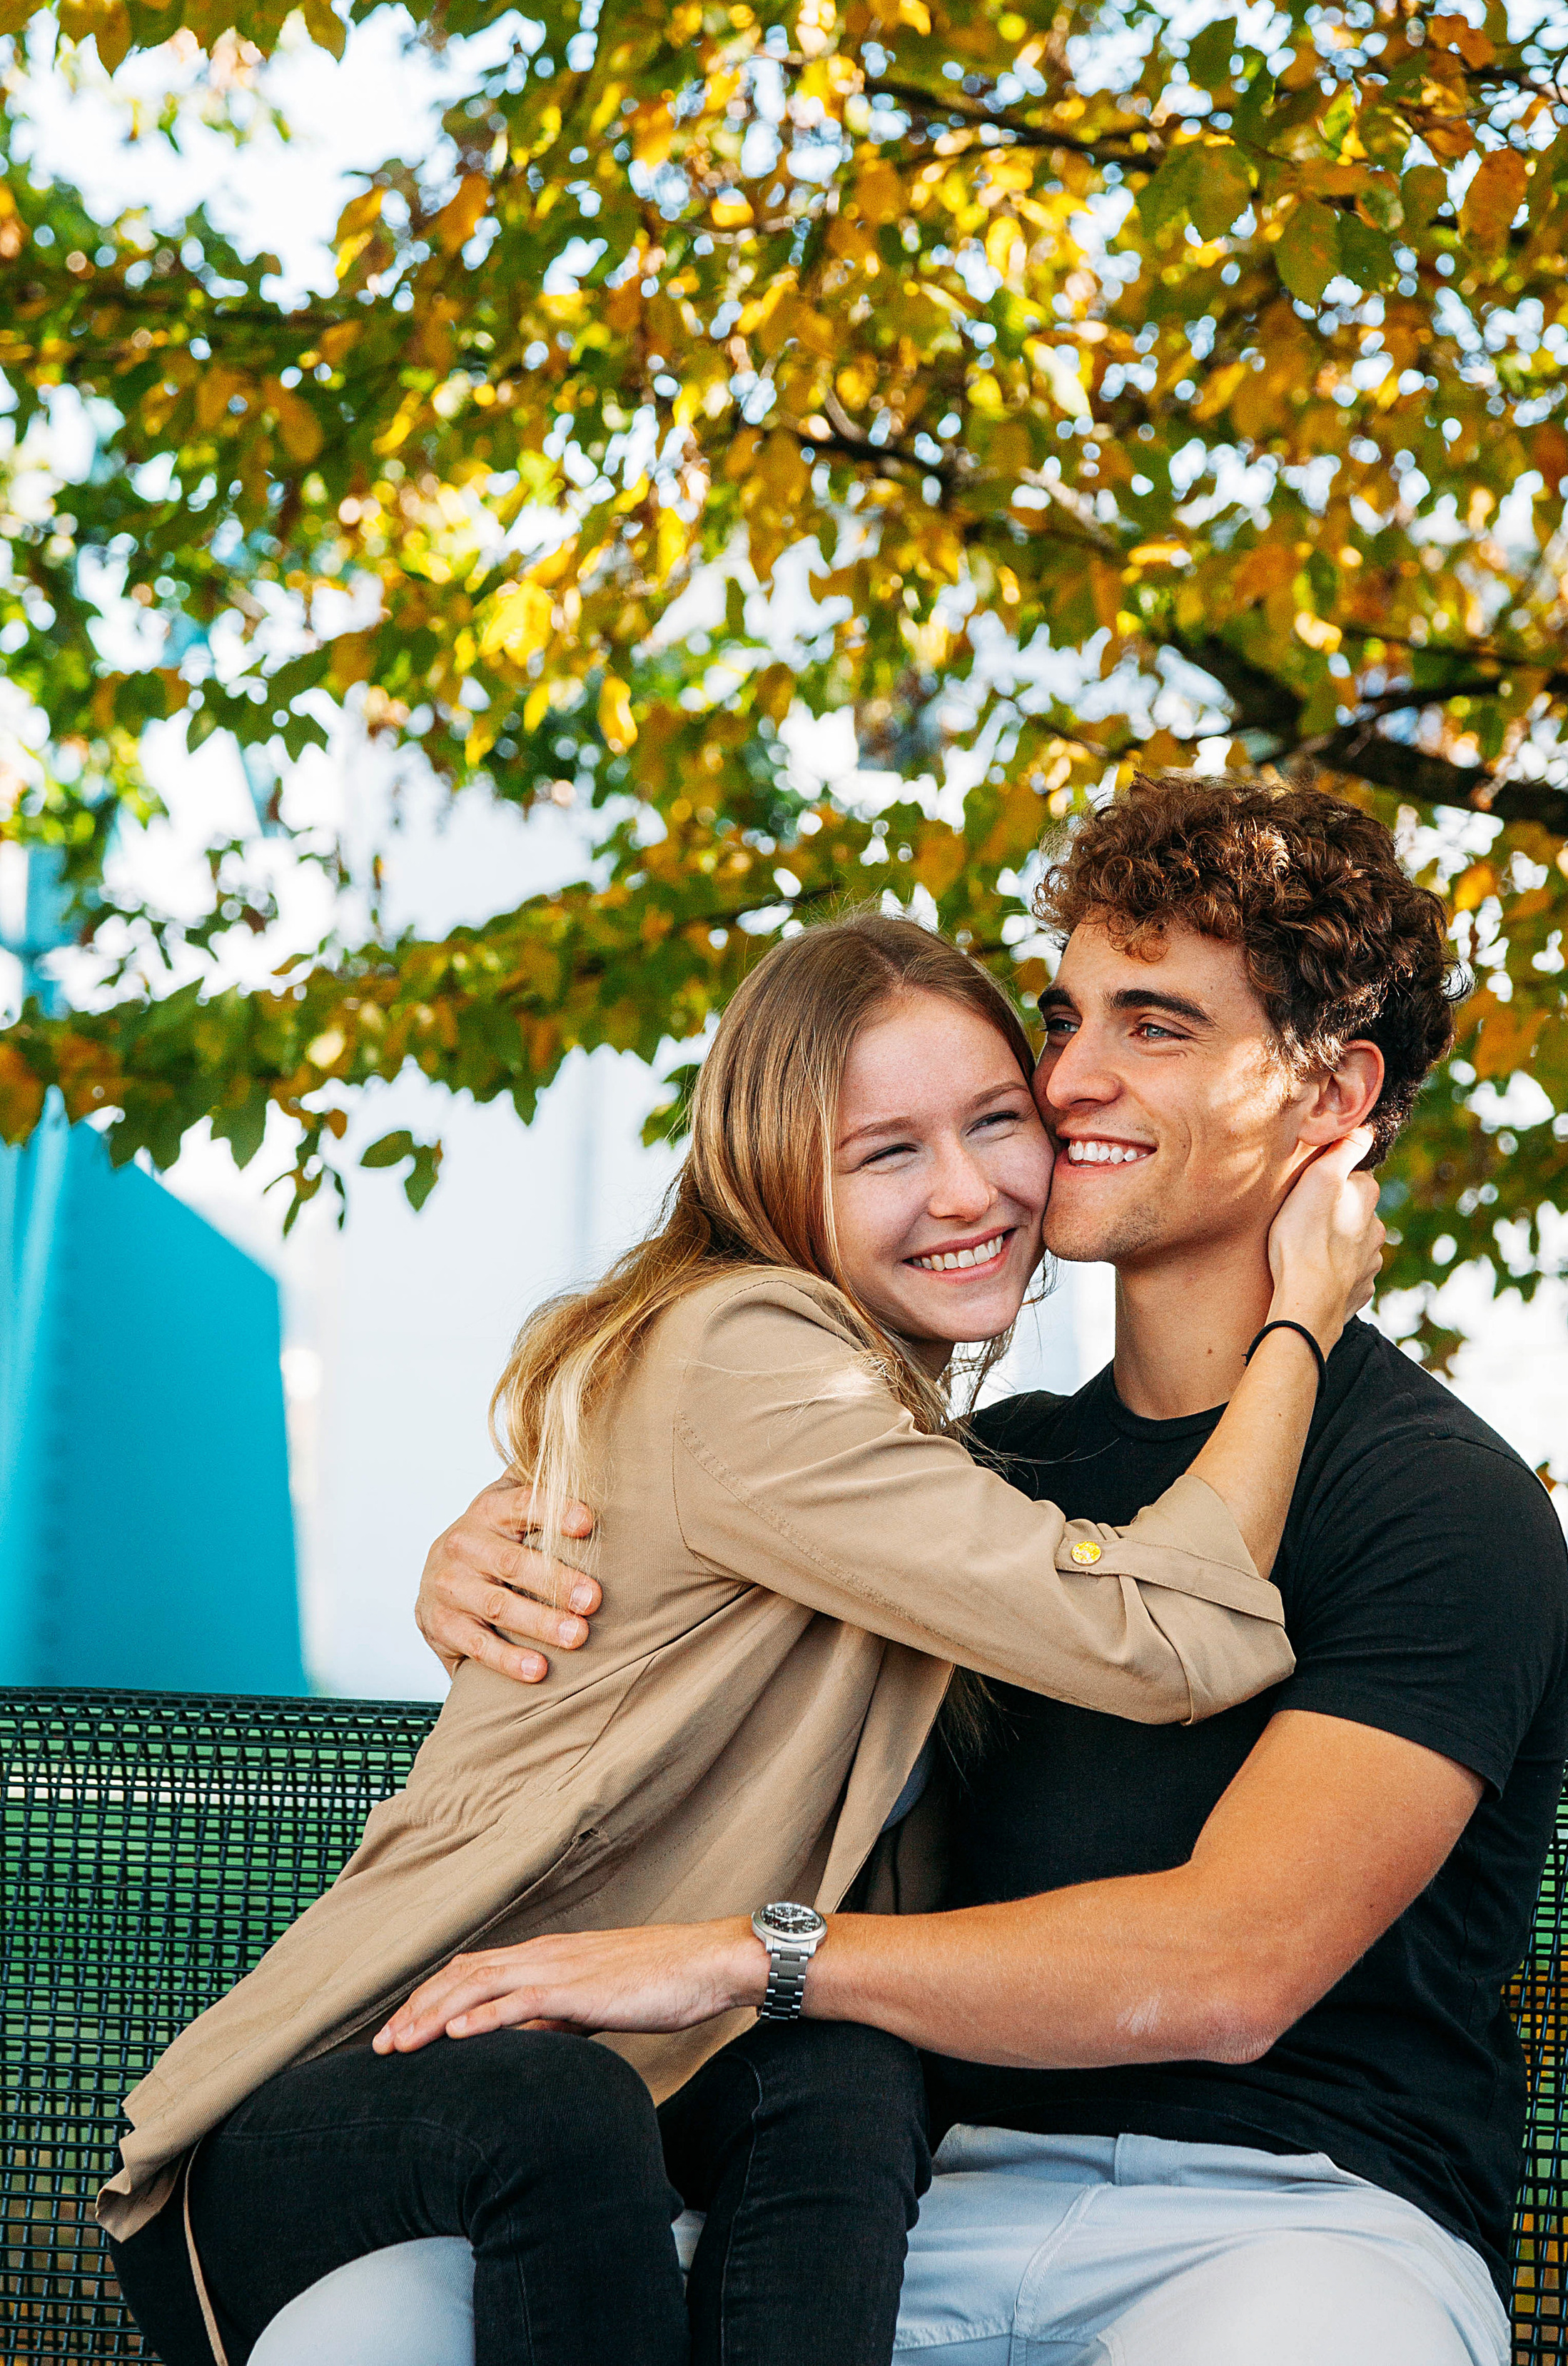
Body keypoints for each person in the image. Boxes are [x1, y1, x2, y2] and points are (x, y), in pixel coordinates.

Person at [98, 904, 1384, 2366]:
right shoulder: (750, 1353)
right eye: (886, 1153)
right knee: (557, 2097)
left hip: (633, 2094)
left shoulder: (908, 1439)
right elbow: (1172, 1641)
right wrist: (1301, 1321)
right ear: (776, 1172)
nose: (966, 1192)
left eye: (989, 1123)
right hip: (331, 2129)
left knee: (835, 2065)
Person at [400, 780, 1568, 2366]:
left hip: (1296, 2219)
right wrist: (491, 1546)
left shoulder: (1440, 1505)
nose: (1070, 1077)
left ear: (1329, 1096)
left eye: (1153, 1025)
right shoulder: (985, 1466)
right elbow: (677, 1594)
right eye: (1063, 1015)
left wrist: (756, 1956)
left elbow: (1225, 1970)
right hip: (928, 2196)